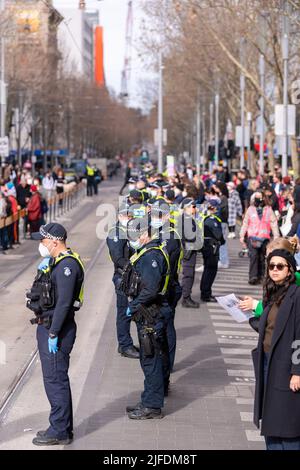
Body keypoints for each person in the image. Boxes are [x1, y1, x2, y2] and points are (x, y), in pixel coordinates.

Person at [26, 223, 84, 446]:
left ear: (54, 241)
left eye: (43, 240)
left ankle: (59, 430)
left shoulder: (67, 266)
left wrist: (53, 333)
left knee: (55, 380)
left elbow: (63, 304)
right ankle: (61, 425)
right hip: (50, 325)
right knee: (56, 378)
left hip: (56, 329)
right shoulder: (56, 262)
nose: (40, 244)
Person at [252, 248, 300, 450]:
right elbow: (271, 325)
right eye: (271, 266)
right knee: (270, 421)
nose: (275, 270)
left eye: (280, 266)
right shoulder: (273, 292)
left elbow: (298, 335)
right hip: (268, 362)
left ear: (290, 270)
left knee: (287, 425)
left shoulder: (296, 295)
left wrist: (297, 372)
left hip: (286, 366)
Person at [123, 218, 171, 419]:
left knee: (150, 359)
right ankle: (148, 398)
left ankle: (152, 406)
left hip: (151, 314)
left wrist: (133, 306)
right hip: (148, 313)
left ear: (144, 234)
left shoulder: (151, 256)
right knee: (148, 358)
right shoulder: (149, 251)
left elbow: (151, 289)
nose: (131, 240)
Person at [106, 205, 139, 359]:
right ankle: (125, 345)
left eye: (131, 215)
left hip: (131, 276)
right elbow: (118, 258)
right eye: (126, 215)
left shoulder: (131, 231)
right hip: (122, 277)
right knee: (123, 312)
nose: (129, 217)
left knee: (129, 310)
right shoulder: (116, 233)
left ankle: (126, 343)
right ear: (119, 216)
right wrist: (135, 268)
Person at [240, 191, 279, 285]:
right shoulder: (250, 209)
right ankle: (253, 276)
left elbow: (273, 224)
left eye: (259, 197)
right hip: (252, 237)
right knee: (253, 256)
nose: (258, 199)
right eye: (256, 197)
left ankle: (261, 277)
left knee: (262, 258)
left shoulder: (269, 210)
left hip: (264, 238)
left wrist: (276, 237)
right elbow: (245, 223)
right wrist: (242, 235)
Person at [179, 198, 203, 308]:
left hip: (190, 249)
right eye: (193, 206)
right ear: (187, 207)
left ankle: (186, 296)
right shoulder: (186, 219)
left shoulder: (188, 218)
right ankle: (186, 298)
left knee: (190, 274)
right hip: (188, 250)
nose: (195, 208)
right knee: (188, 275)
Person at [200, 199, 225, 302]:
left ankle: (206, 292)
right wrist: (222, 241)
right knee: (210, 271)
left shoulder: (204, 217)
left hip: (207, 246)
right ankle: (206, 294)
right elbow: (218, 235)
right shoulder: (212, 220)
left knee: (208, 270)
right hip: (211, 247)